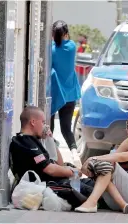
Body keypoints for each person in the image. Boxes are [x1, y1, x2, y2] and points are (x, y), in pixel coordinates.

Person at [51, 20, 81, 167]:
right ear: (66, 33)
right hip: (70, 95)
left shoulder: (50, 49)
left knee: (48, 128)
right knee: (65, 128)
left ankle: (51, 156)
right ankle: (74, 153)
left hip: (55, 94)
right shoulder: (72, 47)